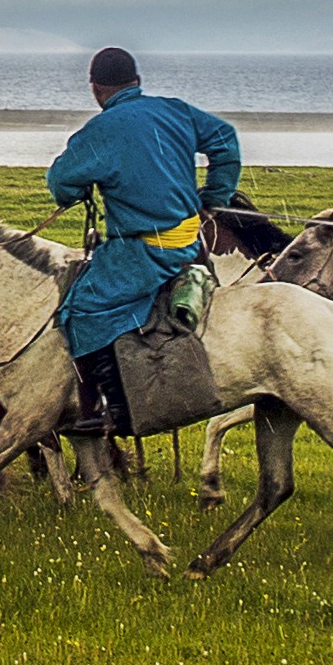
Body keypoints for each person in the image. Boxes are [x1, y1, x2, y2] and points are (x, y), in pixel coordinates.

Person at [41, 45, 241, 436]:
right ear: (137, 81)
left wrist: (77, 191)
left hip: (145, 251)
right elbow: (226, 139)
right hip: (191, 242)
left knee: (80, 309)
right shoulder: (175, 110)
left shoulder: (98, 132)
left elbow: (60, 182)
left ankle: (113, 410)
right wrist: (214, 197)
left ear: (95, 88)